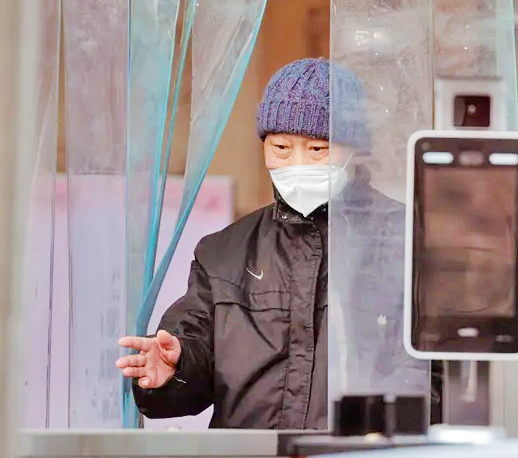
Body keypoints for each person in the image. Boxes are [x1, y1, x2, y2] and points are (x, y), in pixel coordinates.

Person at [116, 58, 413, 429]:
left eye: (318, 149)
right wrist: (174, 369)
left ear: (355, 149)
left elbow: (434, 374)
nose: (298, 163)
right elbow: (193, 349)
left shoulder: (406, 239)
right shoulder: (224, 252)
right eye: (282, 147)